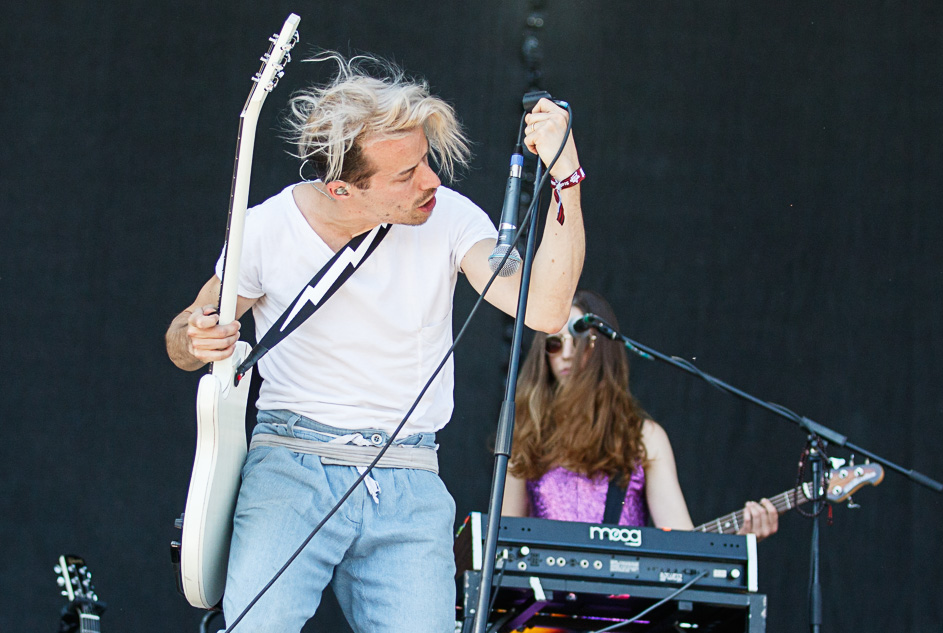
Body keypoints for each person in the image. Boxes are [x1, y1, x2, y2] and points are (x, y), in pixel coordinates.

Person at [165, 53, 585, 633]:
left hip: (409, 472)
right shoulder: (265, 230)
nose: (431, 181)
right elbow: (183, 337)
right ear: (342, 189)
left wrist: (567, 179)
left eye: (426, 160)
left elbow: (545, 309)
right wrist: (197, 337)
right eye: (405, 174)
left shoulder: (449, 217)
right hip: (291, 464)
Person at [502, 290, 778, 540]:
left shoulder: (644, 438)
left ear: (603, 348)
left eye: (579, 341)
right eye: (554, 344)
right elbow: (502, 541)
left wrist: (740, 543)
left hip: (624, 583)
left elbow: (683, 544)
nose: (566, 354)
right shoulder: (526, 434)